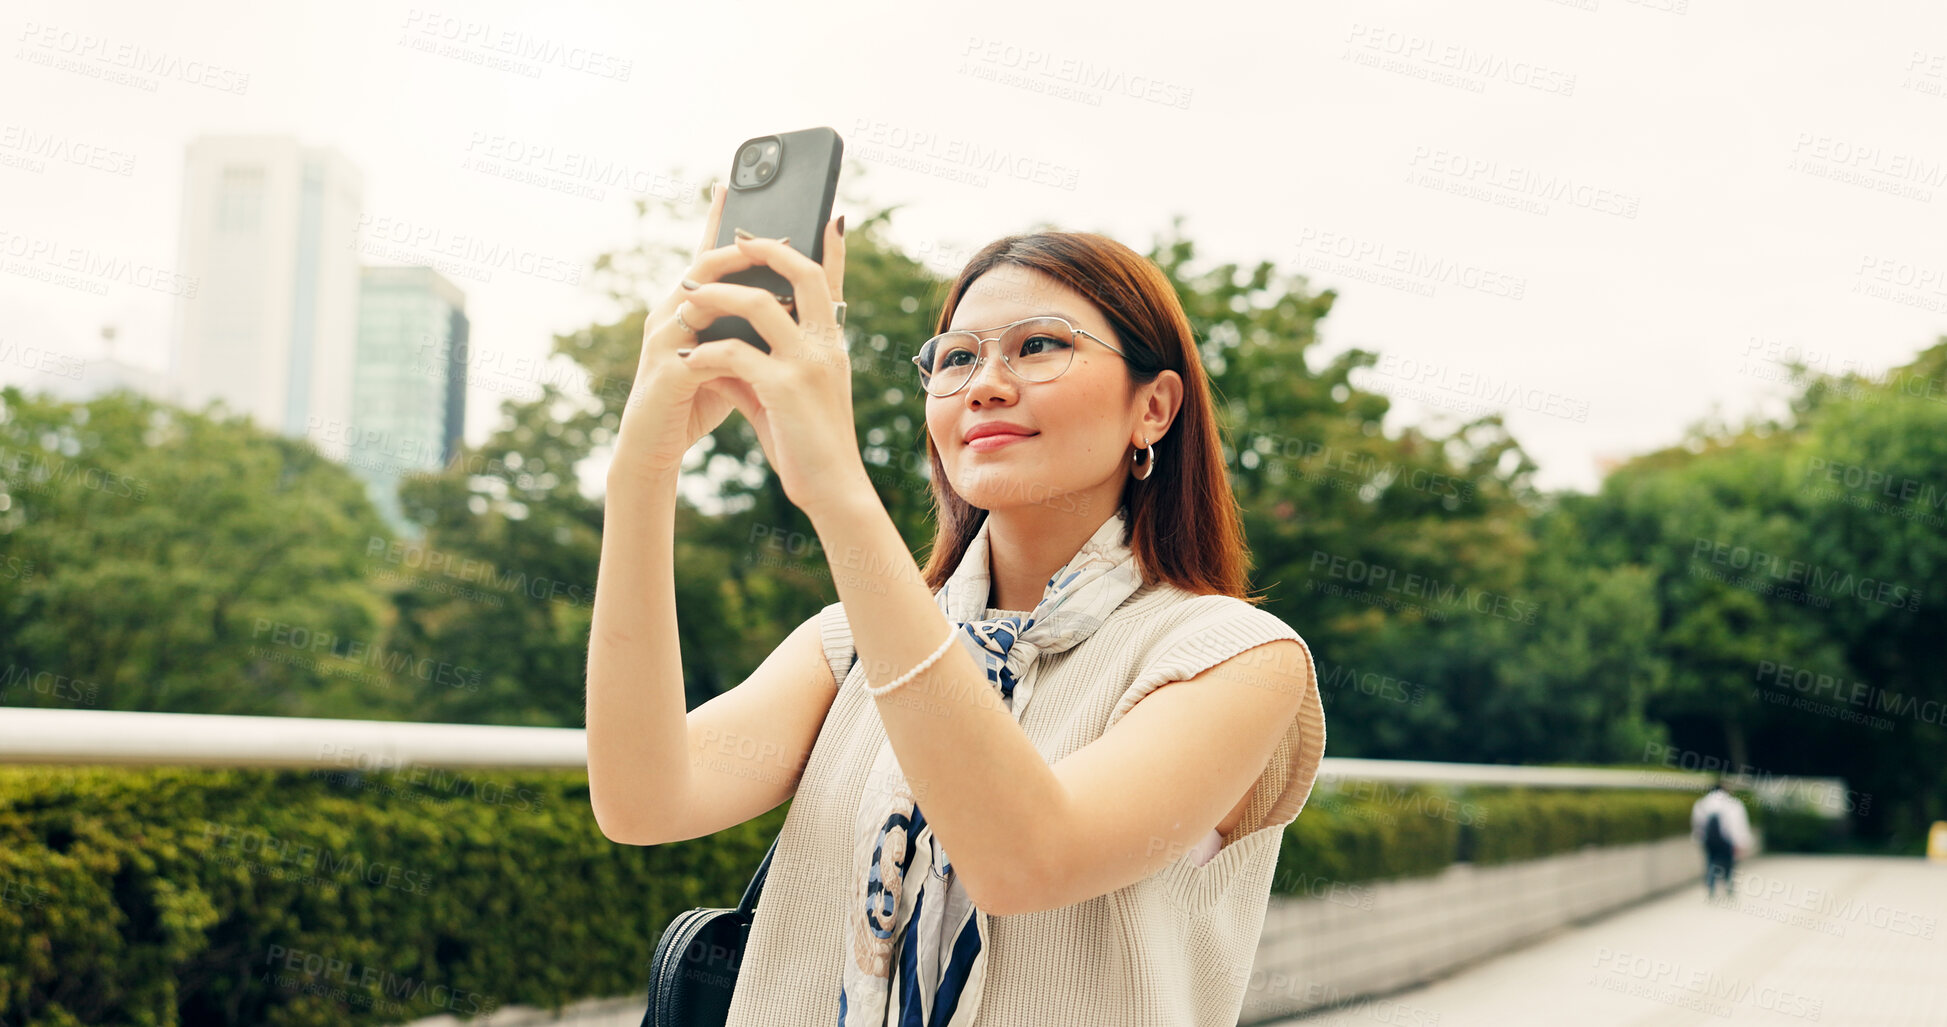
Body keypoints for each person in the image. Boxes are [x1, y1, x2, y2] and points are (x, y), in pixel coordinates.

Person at [586, 182, 1327, 1027]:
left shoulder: (1232, 657)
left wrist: (834, 485)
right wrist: (640, 473)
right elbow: (643, 798)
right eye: (957, 356)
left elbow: (1022, 858)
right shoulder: (851, 645)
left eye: (1039, 345)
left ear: (1151, 407)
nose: (985, 384)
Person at [1690, 776, 1754, 900]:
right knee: (1728, 863)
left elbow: (1697, 824)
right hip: (1726, 841)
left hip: (1708, 840)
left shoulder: (1702, 803)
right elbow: (1737, 825)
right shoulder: (1733, 804)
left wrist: (1699, 839)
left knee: (1710, 861)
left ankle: (1711, 885)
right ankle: (1728, 886)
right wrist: (1741, 843)